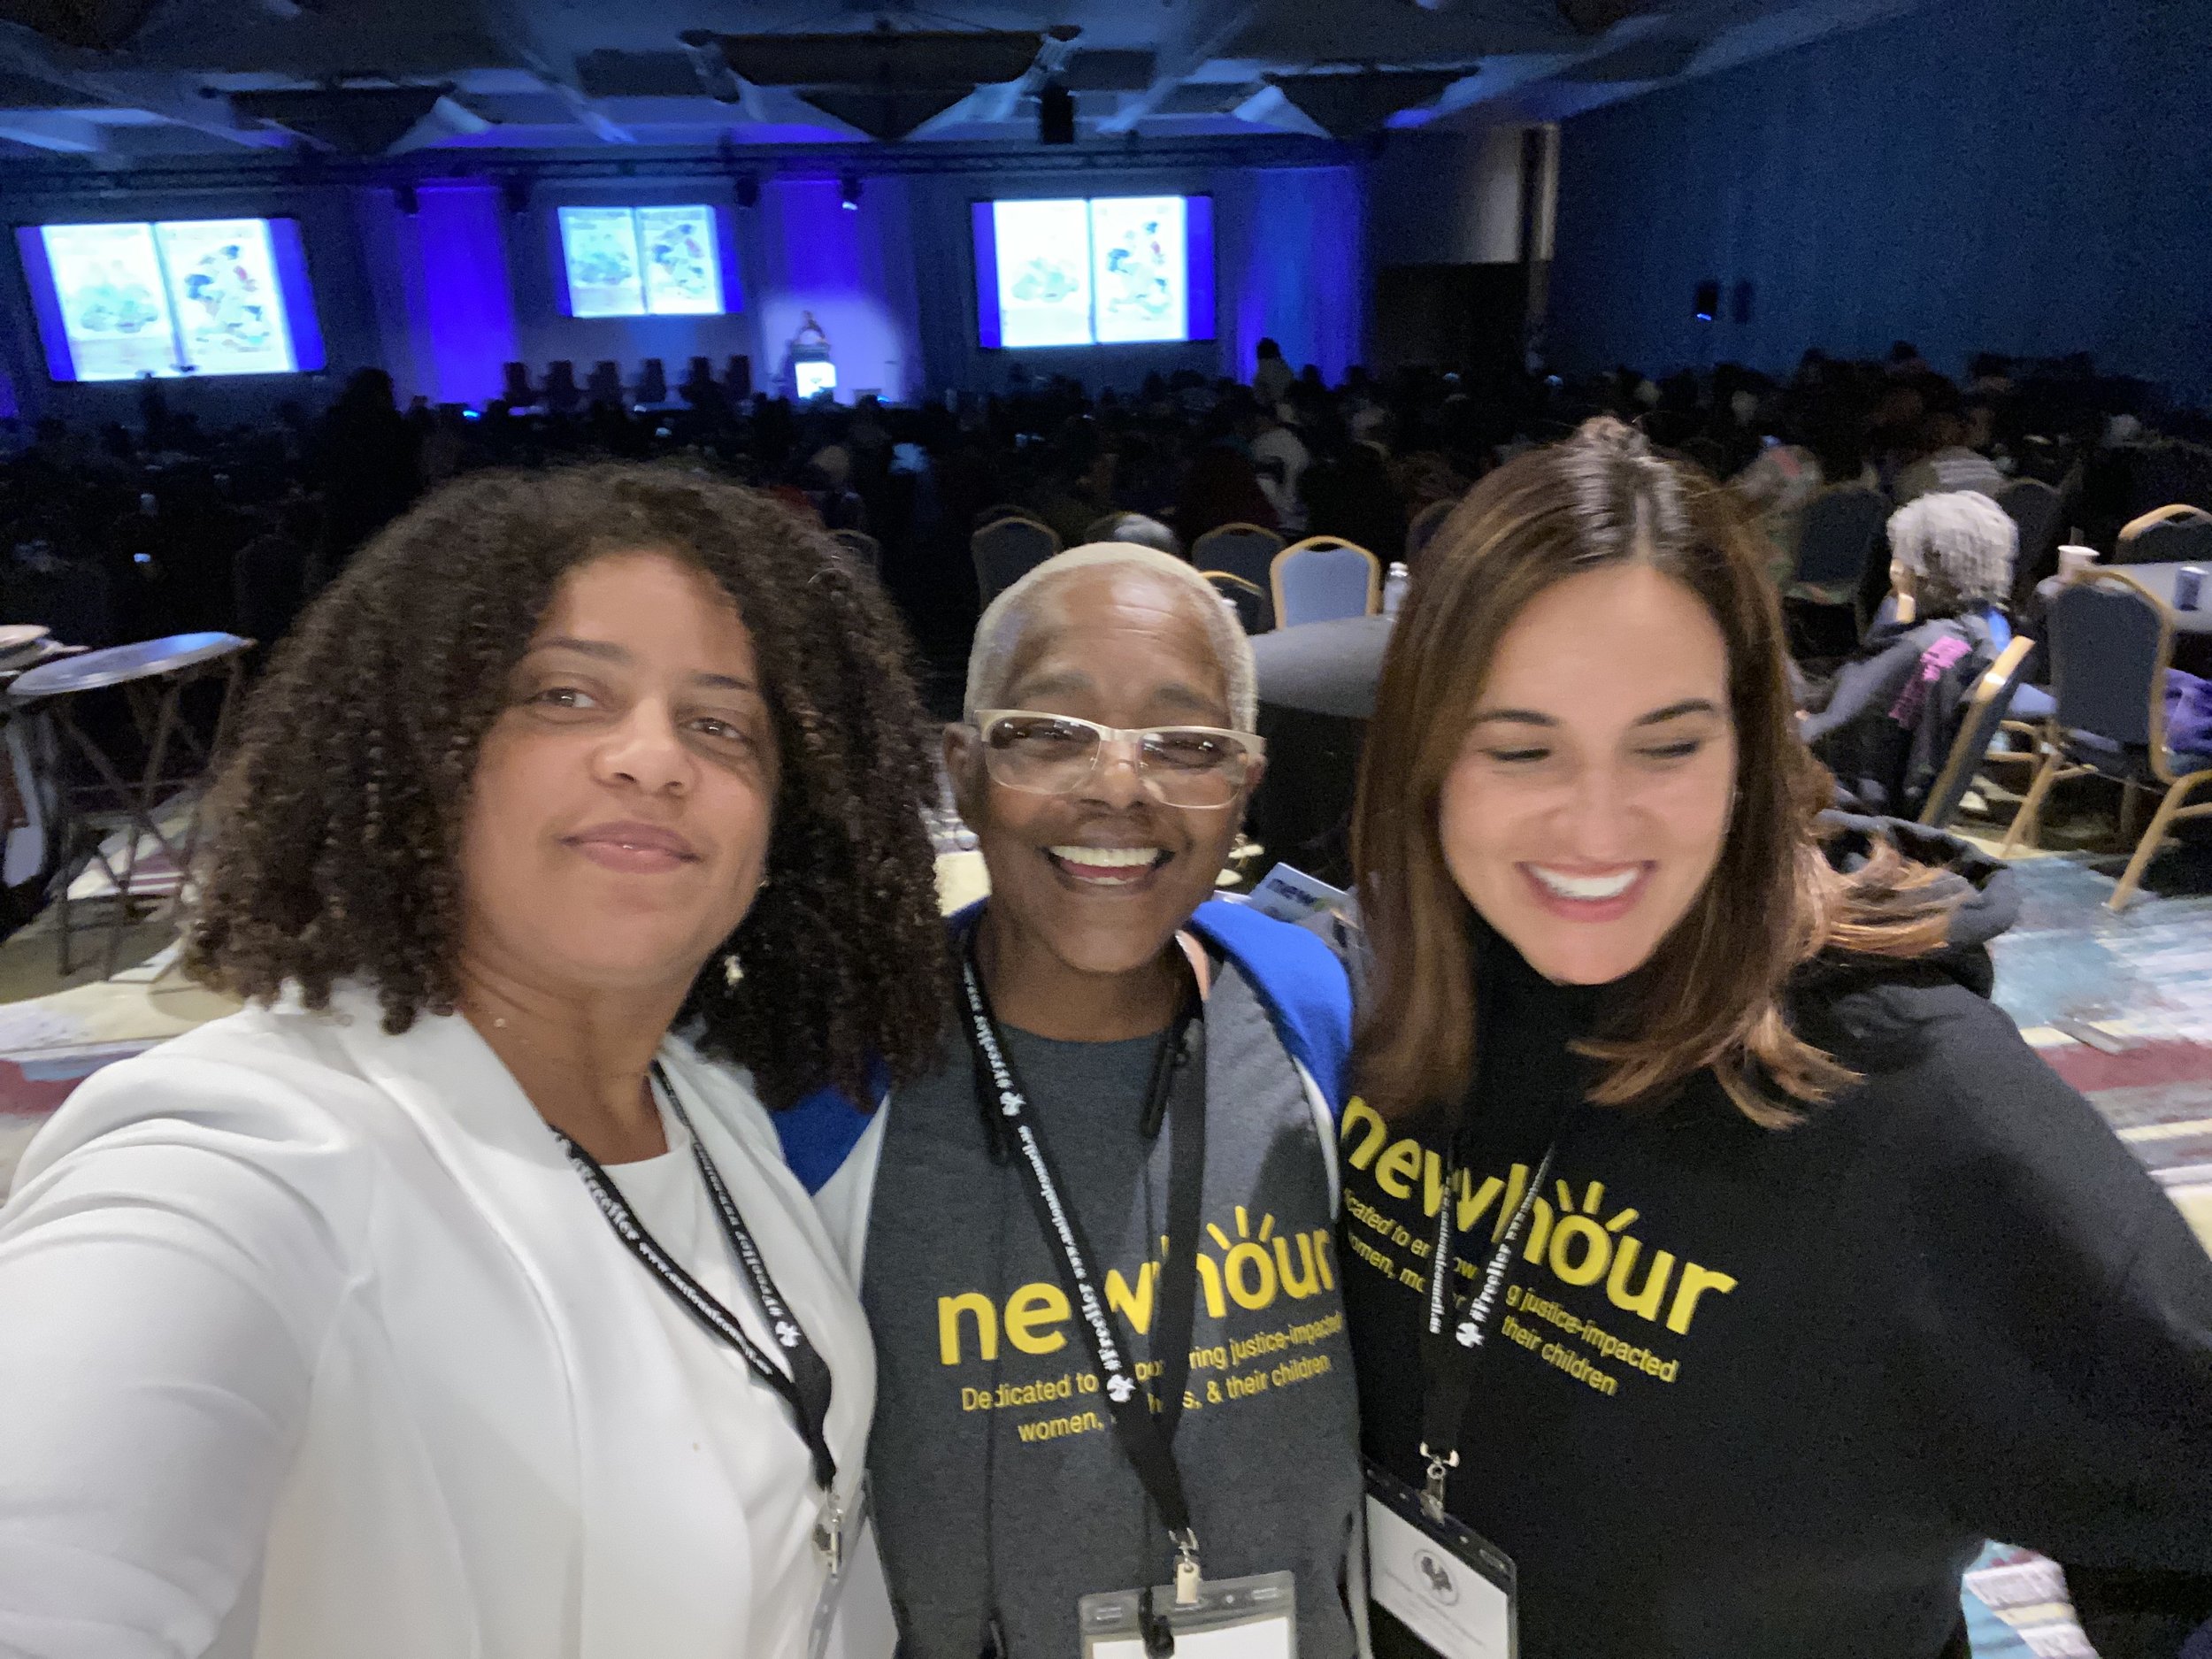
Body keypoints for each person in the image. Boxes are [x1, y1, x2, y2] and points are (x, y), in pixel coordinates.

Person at [0, 465, 952, 1657]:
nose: (653, 757)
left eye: (721, 724)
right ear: (419, 756)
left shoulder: (717, 1112)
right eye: (565, 694)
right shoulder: (251, 1150)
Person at [1340, 419, 2212, 1659]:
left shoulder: (1906, 1088)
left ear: (1752, 753)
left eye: (1670, 742)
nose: (1595, 825)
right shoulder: (1413, 991)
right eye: (1521, 745)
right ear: (1428, 759)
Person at [779, 544, 1367, 1659]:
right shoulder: (831, 1092)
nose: (1116, 788)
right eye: (1048, 734)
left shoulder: (1314, 1019)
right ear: (958, 771)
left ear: (1244, 783)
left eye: (1184, 744)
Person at [1798, 489, 2019, 816]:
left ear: (1927, 569)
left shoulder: (1918, 649)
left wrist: (1794, 722)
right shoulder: (1982, 631)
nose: (1895, 570)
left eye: (1902, 560)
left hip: (1850, 802)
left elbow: (1842, 733)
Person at [1252, 336, 1296, 411]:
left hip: (1271, 412)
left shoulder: (1262, 373)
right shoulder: (1286, 370)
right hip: (1290, 408)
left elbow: (1261, 399)